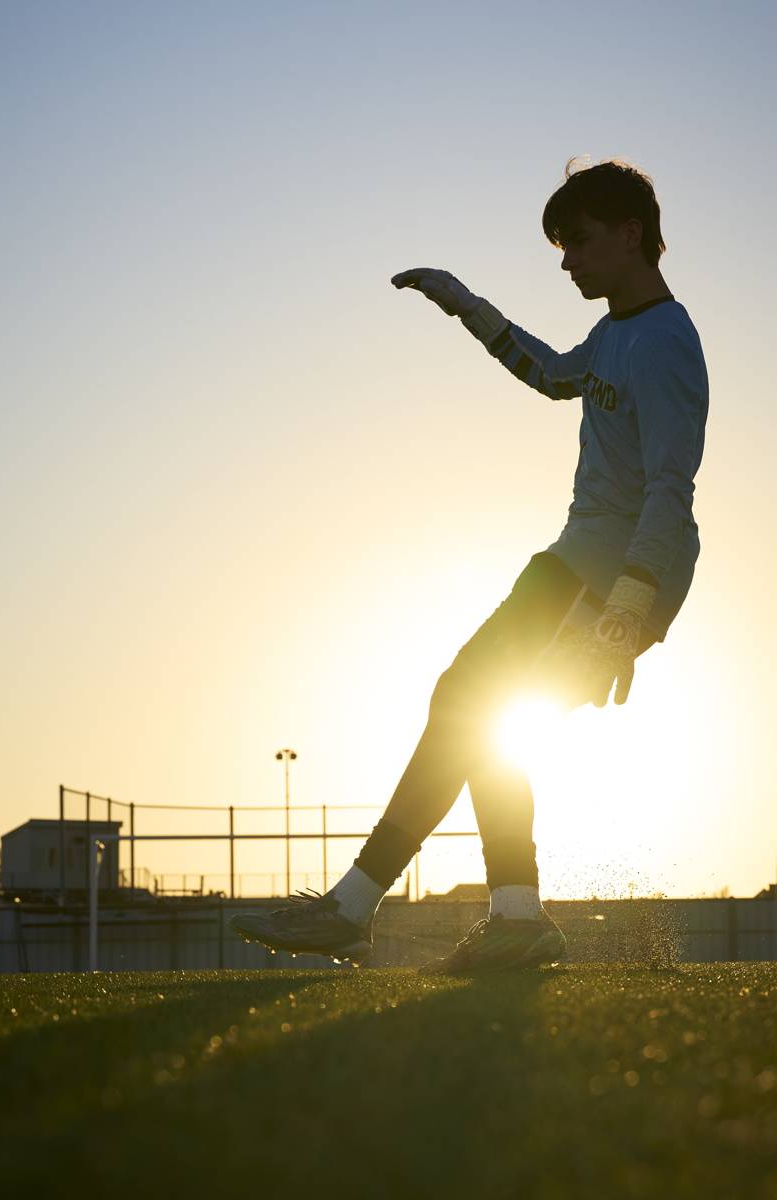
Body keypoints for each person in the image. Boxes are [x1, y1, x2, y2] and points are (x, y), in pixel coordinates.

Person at [229, 157, 709, 974]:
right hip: (569, 566)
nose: (566, 261)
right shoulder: (613, 334)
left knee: (473, 705)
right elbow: (552, 374)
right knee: (477, 713)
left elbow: (672, 488)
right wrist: (462, 302)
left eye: (579, 241)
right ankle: (510, 917)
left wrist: (628, 610)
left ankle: (365, 909)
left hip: (611, 580)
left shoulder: (666, 343)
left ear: (632, 235)